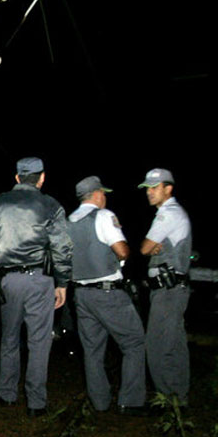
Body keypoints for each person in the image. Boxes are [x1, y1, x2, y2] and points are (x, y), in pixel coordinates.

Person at [0, 157, 72, 417]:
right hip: (40, 279)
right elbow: (62, 248)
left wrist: (3, 264)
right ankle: (36, 403)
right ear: (42, 178)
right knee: (39, 341)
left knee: (9, 338)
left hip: (8, 280)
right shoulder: (50, 205)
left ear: (17, 177)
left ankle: (6, 394)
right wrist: (62, 282)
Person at [68, 176, 147, 415]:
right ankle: (130, 401)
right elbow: (121, 250)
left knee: (92, 352)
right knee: (134, 342)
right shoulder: (103, 216)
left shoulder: (68, 221)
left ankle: (100, 403)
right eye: (104, 193)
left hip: (81, 295)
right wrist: (122, 258)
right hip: (108, 294)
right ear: (97, 194)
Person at [138, 168, 192, 406]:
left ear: (168, 189)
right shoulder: (172, 213)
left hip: (168, 291)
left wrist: (153, 246)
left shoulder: (168, 214)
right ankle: (178, 397)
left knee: (157, 345)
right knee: (175, 345)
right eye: (147, 188)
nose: (149, 192)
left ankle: (167, 400)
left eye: (154, 187)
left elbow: (144, 248)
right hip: (173, 289)